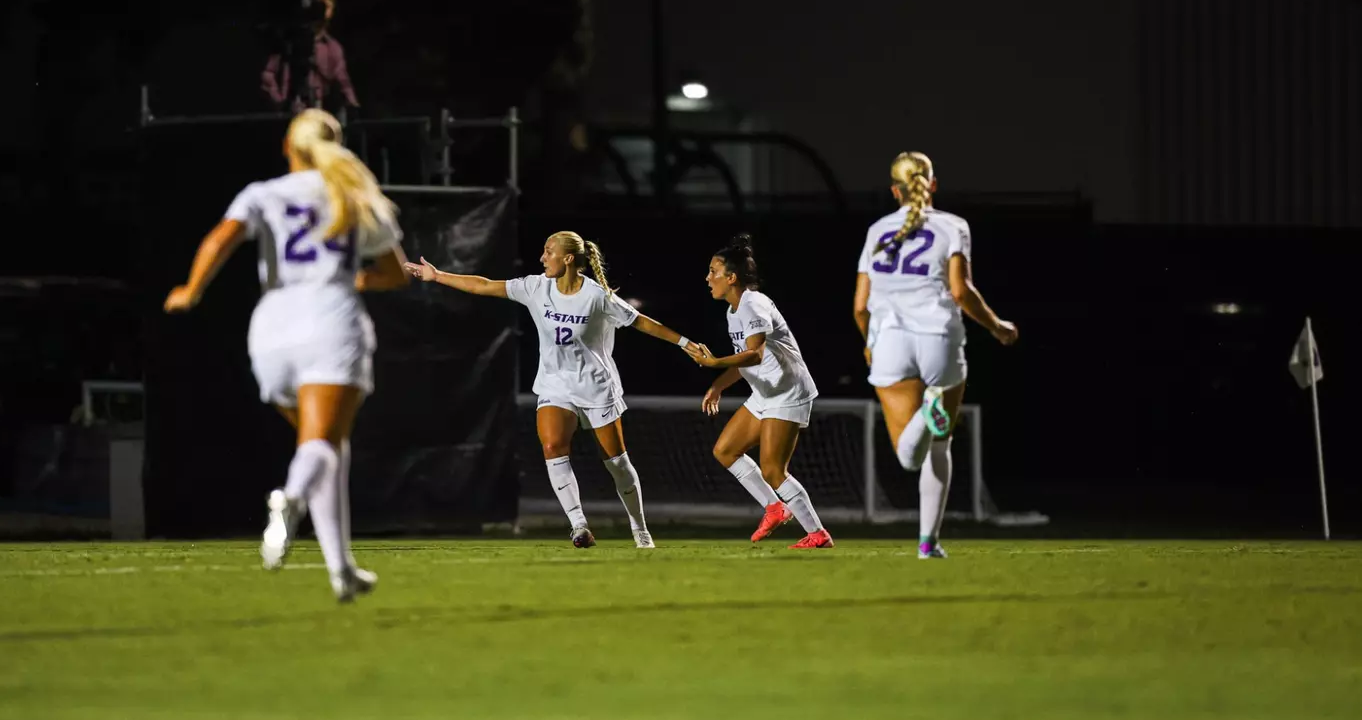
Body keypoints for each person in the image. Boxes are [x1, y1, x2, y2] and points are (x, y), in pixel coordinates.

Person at [164, 109, 408, 602]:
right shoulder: (354, 194)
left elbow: (220, 239)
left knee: (322, 446)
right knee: (321, 444)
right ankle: (290, 499)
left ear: (287, 147)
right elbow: (396, 272)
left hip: (272, 326)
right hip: (329, 319)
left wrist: (192, 290)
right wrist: (361, 279)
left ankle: (342, 571)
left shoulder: (263, 192)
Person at [404, 233, 699, 549]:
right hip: (556, 385)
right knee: (552, 444)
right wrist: (437, 276)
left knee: (616, 463)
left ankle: (640, 529)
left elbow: (639, 321)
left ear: (568, 259)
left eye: (549, 252)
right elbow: (484, 285)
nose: (542, 258)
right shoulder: (536, 287)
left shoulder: (596, 296)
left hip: (596, 386)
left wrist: (685, 343)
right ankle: (579, 526)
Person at [852, 152, 1018, 559]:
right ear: (933, 184)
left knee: (909, 456)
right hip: (940, 338)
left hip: (891, 340)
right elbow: (960, 292)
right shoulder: (952, 226)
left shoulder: (877, 230)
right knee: (940, 445)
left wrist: (869, 340)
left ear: (895, 190)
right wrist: (997, 326)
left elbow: (860, 305)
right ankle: (928, 543)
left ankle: (928, 413)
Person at [683, 234, 833, 549]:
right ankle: (775, 508)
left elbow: (755, 353)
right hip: (766, 392)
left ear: (732, 277)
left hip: (788, 391)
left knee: (774, 470)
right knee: (725, 450)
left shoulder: (753, 303)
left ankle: (818, 534)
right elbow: (745, 361)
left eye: (714, 271)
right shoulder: (733, 311)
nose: (708, 278)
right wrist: (718, 385)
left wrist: (714, 363)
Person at [260, 0, 361, 115]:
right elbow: (268, 74)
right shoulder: (290, 41)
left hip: (318, 112)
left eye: (327, 7)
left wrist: (352, 104)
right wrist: (279, 101)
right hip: (290, 111)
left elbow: (343, 80)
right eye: (320, 6)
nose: (323, 11)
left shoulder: (332, 47)